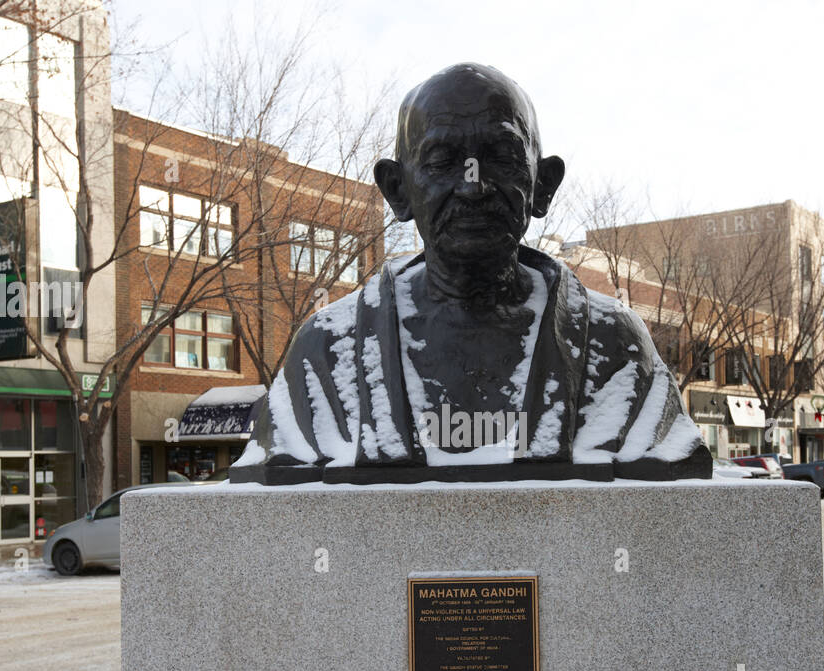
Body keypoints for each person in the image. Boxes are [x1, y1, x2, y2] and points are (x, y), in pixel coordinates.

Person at [237, 62, 708, 484]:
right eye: (442, 160)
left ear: (542, 185)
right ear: (398, 190)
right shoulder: (324, 350)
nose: (473, 184)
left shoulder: (614, 346)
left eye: (501, 156)